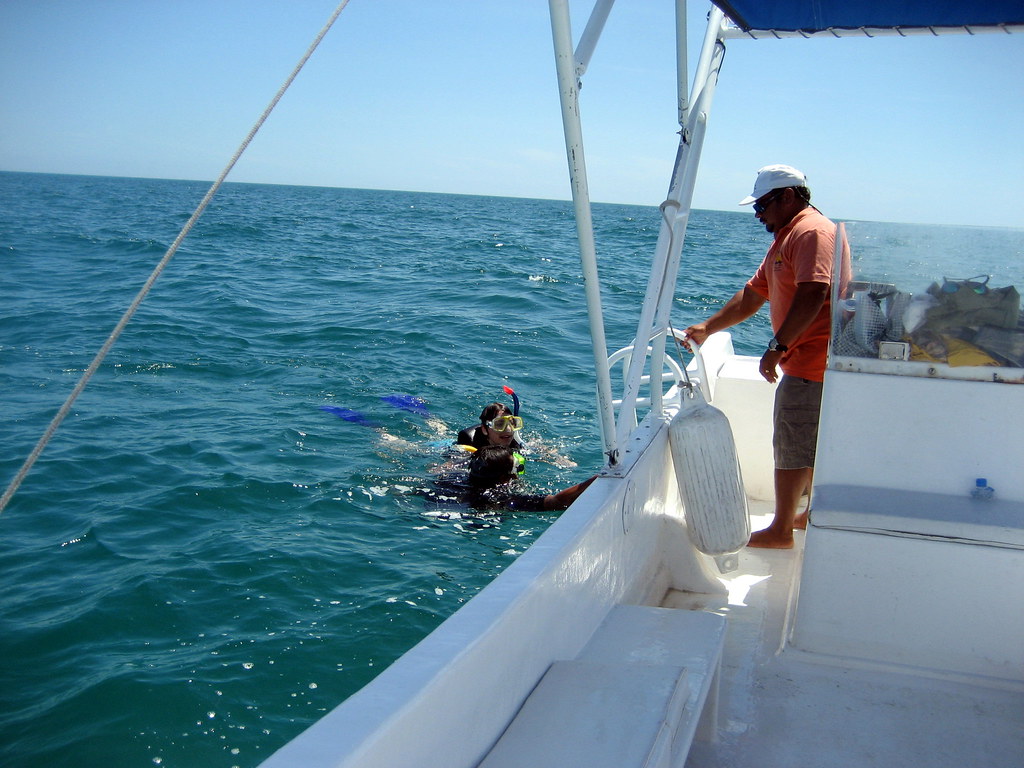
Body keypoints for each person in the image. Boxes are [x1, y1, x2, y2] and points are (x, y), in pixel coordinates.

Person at [682, 164, 849, 549]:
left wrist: (777, 347)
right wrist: (709, 327)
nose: (758, 215)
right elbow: (754, 294)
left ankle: (780, 531)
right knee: (807, 442)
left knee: (792, 443)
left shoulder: (811, 232)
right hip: (805, 360)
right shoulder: (789, 235)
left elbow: (814, 293)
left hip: (813, 363)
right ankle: (805, 515)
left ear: (787, 197)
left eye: (762, 205)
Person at [464, 445, 596, 512]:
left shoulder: (457, 479)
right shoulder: (503, 498)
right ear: (505, 478)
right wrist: (597, 479)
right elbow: (557, 502)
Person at [457, 402, 524, 451]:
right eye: (500, 424)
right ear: (484, 430)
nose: (508, 429)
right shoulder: (469, 439)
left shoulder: (514, 441)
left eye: (511, 423)